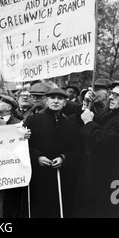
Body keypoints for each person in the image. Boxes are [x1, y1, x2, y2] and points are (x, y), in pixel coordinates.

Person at [23, 87, 79, 218]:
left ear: (65, 102)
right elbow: (23, 146)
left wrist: (63, 158)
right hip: (37, 176)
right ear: (47, 100)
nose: (56, 101)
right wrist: (37, 157)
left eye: (60, 98)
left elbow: (76, 150)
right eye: (52, 98)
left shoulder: (71, 125)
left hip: (60, 177)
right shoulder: (33, 120)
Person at [73, 80, 119, 218]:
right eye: (111, 94)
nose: (111, 97)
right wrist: (87, 105)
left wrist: (89, 122)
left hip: (109, 181)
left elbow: (103, 140)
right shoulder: (112, 114)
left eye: (117, 95)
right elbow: (88, 126)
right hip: (95, 176)